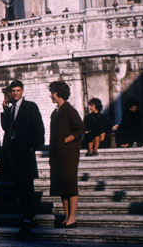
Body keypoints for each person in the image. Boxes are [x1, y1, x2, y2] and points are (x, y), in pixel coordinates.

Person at [0, 80, 45, 240]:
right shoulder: (10, 109)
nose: (16, 93)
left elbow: (39, 128)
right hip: (12, 154)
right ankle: (24, 215)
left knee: (27, 187)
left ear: (22, 91)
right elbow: (5, 128)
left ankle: (28, 217)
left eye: (18, 90)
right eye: (13, 91)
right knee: (18, 187)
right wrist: (4, 109)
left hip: (25, 153)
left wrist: (34, 146)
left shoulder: (30, 106)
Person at [48, 81, 85, 228]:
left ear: (58, 93)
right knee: (61, 186)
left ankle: (72, 218)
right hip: (57, 154)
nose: (50, 95)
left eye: (52, 92)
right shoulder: (55, 112)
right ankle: (66, 216)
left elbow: (80, 129)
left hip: (69, 153)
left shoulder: (69, 110)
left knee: (70, 184)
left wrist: (66, 139)